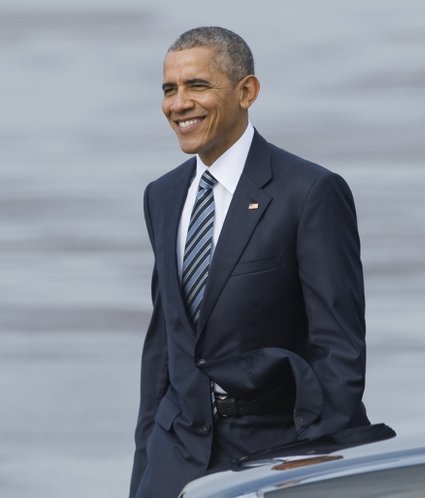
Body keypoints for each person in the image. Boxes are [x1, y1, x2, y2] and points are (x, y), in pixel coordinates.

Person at [130, 26, 369, 498]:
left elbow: (338, 344)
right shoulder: (161, 196)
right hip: (174, 454)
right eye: (169, 89)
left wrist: (321, 460)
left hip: (276, 452)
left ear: (246, 91)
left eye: (197, 86)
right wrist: (144, 465)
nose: (178, 104)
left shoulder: (309, 192)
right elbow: (165, 343)